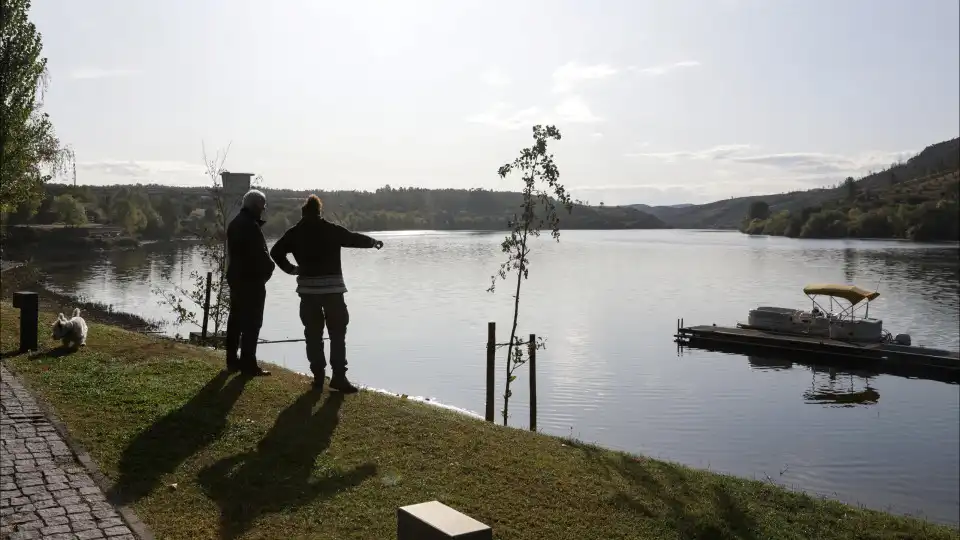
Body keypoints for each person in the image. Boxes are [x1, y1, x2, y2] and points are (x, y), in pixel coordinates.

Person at [270, 194, 383, 393]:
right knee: (337, 334)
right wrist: (373, 242)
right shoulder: (330, 229)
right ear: (319, 211)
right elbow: (352, 238)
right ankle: (339, 377)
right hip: (333, 292)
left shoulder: (294, 233)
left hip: (307, 293)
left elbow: (275, 252)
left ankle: (318, 377)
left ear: (303, 213)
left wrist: (291, 269)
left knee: (313, 334)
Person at [225, 189, 276, 376]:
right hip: (252, 280)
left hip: (236, 278)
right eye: (263, 207)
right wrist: (270, 268)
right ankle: (249, 363)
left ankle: (232, 361)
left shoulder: (234, 224)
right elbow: (261, 255)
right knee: (253, 323)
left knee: (235, 320)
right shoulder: (251, 226)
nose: (263, 210)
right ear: (256, 206)